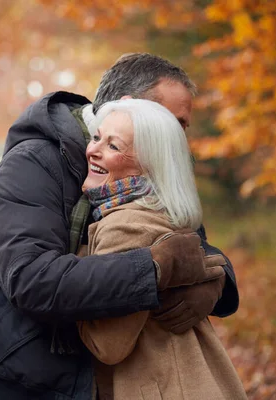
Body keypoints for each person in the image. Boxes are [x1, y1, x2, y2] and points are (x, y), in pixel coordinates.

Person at [0, 53, 239, 399]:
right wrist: (153, 269)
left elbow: (192, 246)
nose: (180, 137)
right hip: (23, 381)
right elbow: (31, 279)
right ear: (129, 107)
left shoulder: (150, 169)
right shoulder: (32, 164)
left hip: (99, 381)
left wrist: (215, 283)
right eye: (173, 122)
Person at [76, 98, 246, 399]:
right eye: (97, 137)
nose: (93, 150)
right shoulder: (160, 211)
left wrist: (72, 266)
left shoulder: (124, 225)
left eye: (113, 146)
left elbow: (108, 345)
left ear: (149, 166)